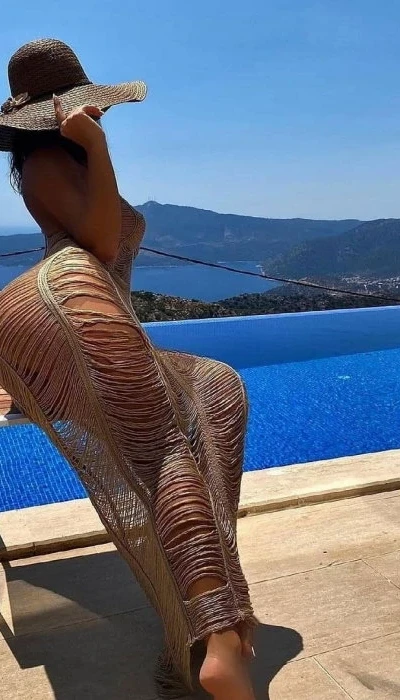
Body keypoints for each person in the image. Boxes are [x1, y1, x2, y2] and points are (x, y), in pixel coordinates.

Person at [0, 39, 256, 700]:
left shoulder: (63, 161)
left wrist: (91, 152)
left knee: (218, 389)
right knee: (163, 442)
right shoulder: (47, 163)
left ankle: (210, 610)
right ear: (60, 111)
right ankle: (221, 637)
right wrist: (98, 146)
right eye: (86, 106)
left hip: (89, 308)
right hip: (73, 300)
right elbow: (102, 242)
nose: (99, 114)